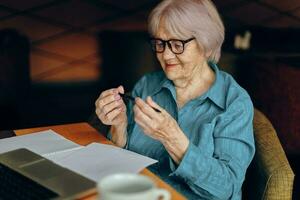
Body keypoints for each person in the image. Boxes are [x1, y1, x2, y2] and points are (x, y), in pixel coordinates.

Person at [95, 0, 255, 199]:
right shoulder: (147, 85)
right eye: (160, 44)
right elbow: (119, 162)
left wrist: (173, 139)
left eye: (177, 44)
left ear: (206, 45)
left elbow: (227, 188)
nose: (166, 55)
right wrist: (118, 126)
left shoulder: (233, 103)